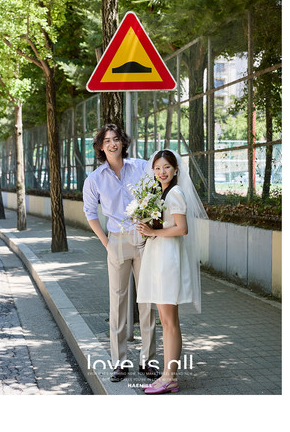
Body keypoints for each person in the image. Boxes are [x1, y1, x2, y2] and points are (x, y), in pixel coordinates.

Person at [82, 124, 159, 383]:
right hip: (116, 240)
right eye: (107, 141)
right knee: (117, 301)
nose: (112, 144)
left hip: (144, 239)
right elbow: (90, 212)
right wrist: (106, 242)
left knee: (147, 300)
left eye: (116, 139)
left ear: (123, 142)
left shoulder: (140, 167)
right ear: (101, 147)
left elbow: (157, 191)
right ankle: (119, 362)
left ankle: (148, 360)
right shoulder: (94, 179)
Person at [136, 149, 208, 394]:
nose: (162, 172)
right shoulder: (159, 193)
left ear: (176, 169)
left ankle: (170, 377)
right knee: (166, 320)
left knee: (169, 321)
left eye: (166, 167)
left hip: (168, 259)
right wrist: (146, 225)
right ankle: (167, 376)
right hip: (159, 256)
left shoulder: (175, 193)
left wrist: (153, 231)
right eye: (157, 168)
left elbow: (182, 228)